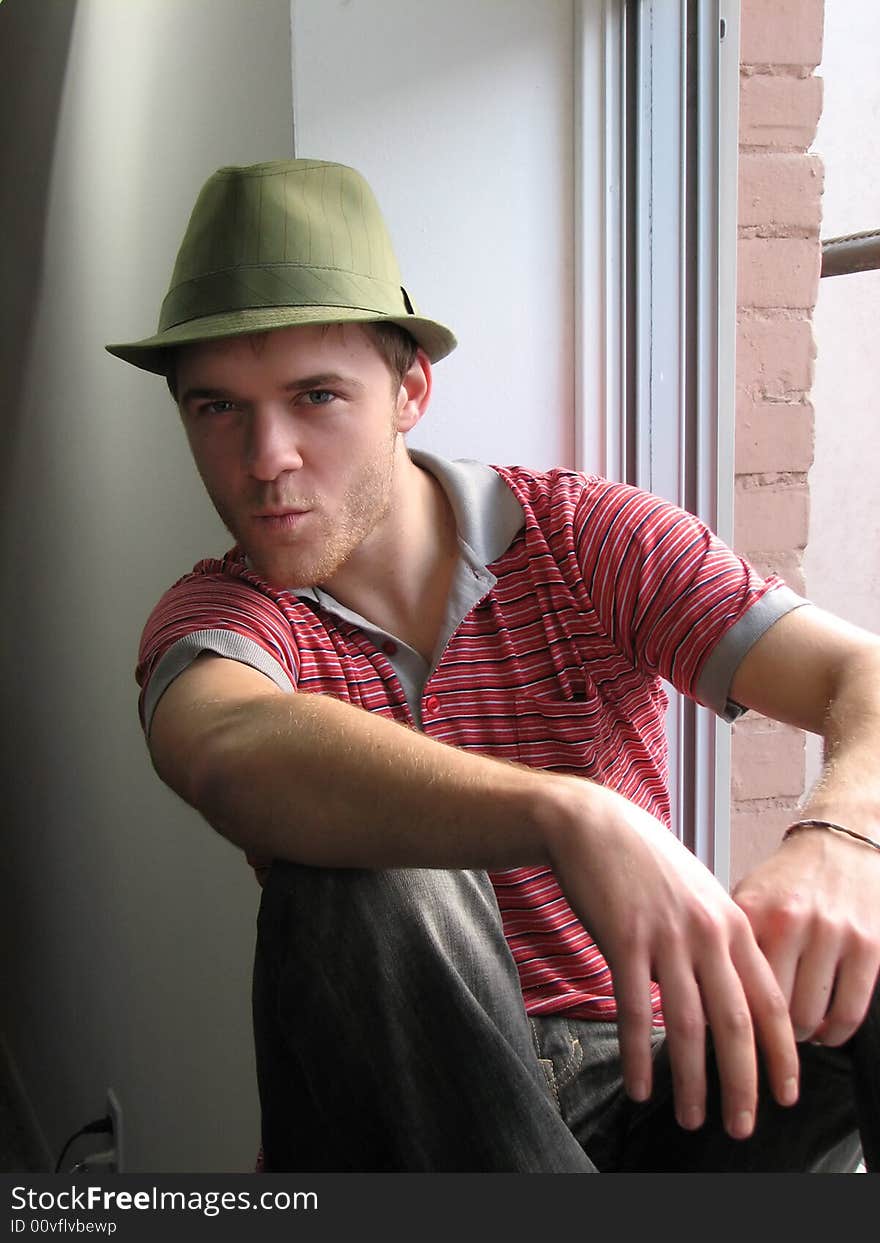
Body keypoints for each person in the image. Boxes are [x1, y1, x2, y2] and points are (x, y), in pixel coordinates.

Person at [108, 158, 880, 1172]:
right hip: (421, 1100)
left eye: (317, 396)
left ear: (409, 390)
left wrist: (841, 838)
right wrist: (568, 812)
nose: (266, 458)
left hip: (672, 1077)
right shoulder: (220, 618)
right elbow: (221, 744)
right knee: (355, 878)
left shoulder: (583, 537)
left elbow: (857, 677)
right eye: (218, 409)